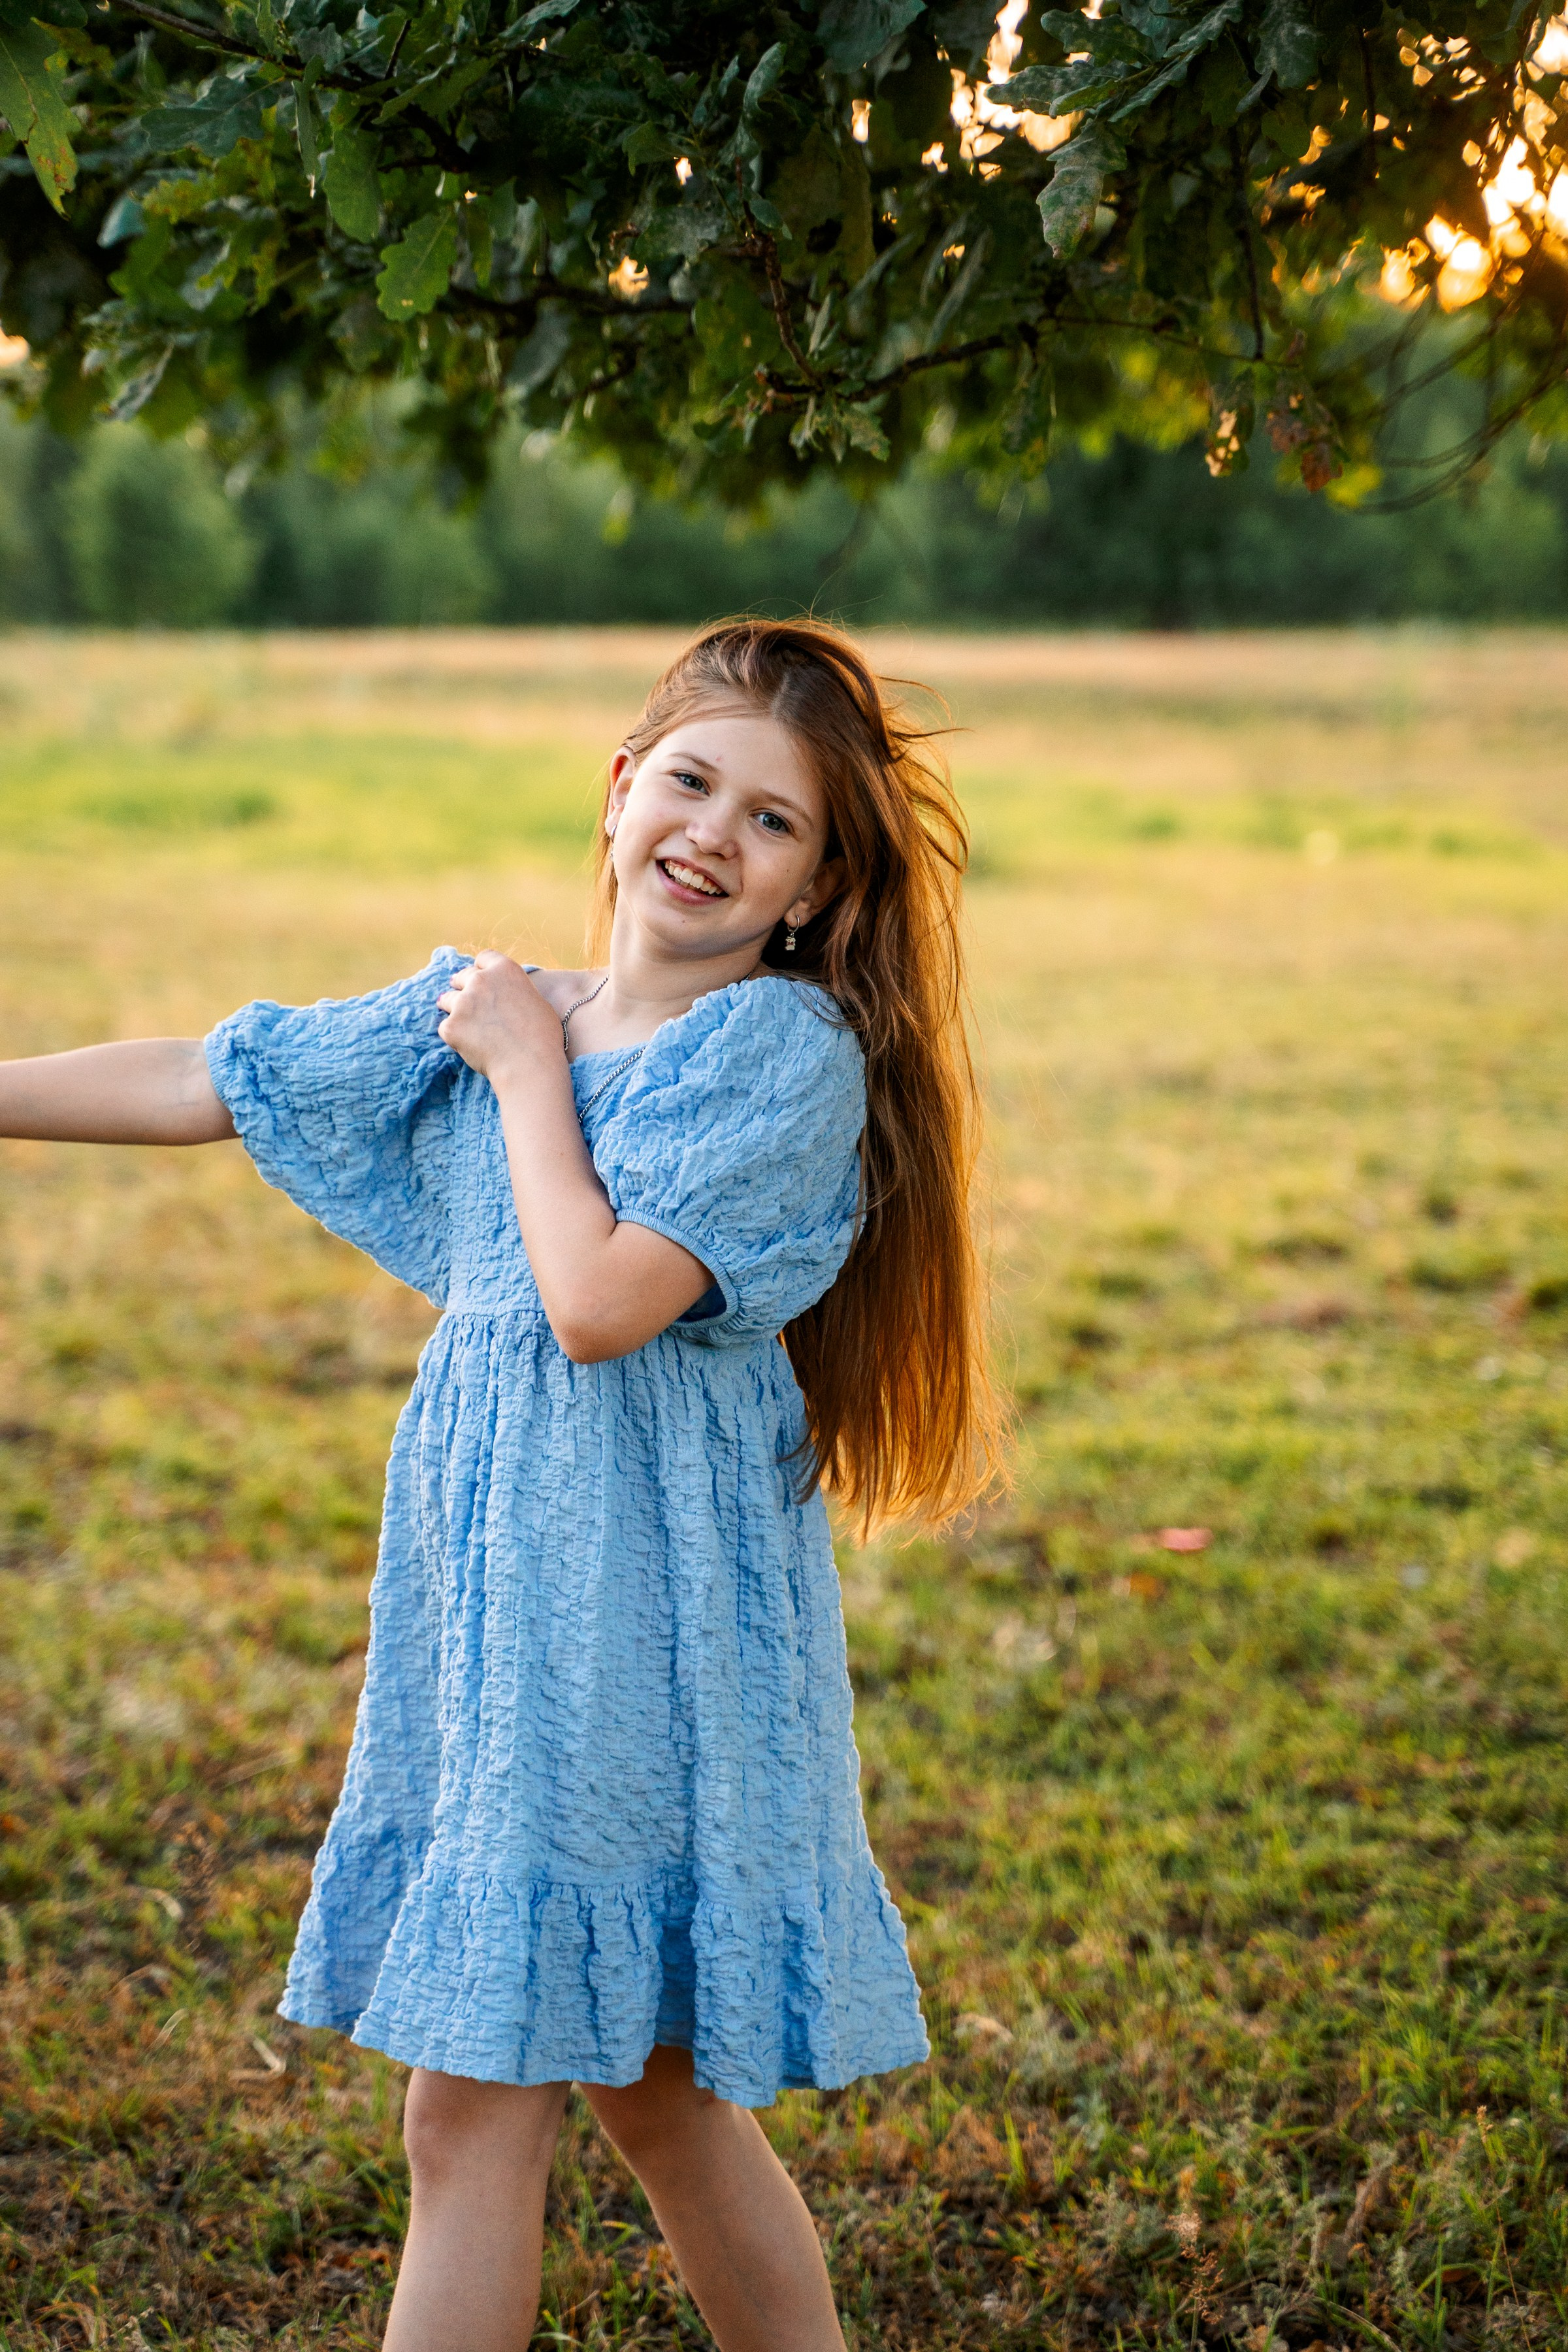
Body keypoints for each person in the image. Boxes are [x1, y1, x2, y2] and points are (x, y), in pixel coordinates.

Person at [0, 617, 1005, 2352]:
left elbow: (597, 1301)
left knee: (471, 2111)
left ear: (819, 887)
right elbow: (211, 1077)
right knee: (658, 2099)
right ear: (620, 790)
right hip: (509, 1613)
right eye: (691, 781)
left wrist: (530, 1071)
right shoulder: (497, 1010)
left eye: (774, 821)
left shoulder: (776, 1057)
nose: (714, 833)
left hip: (642, 1625)